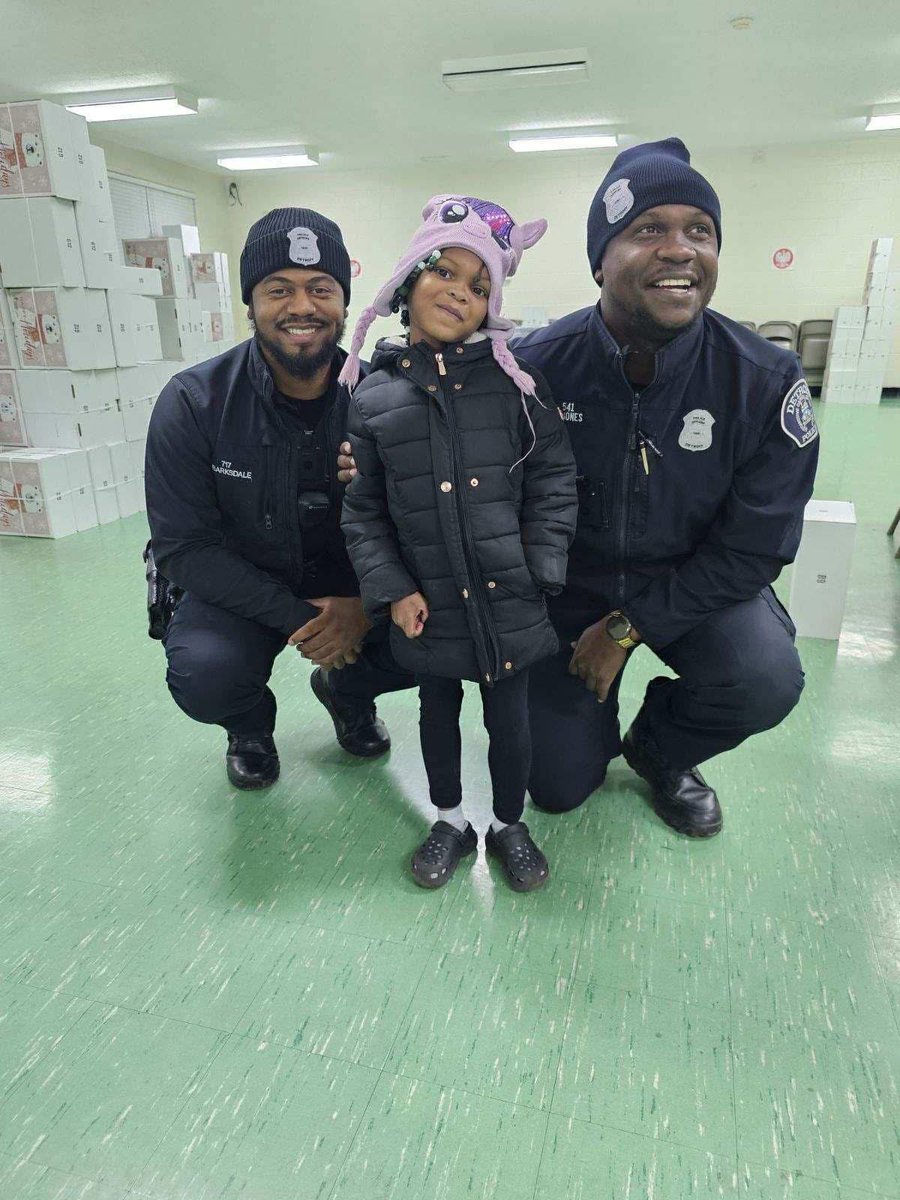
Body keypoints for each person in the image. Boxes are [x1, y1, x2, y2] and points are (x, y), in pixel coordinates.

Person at [509, 137, 819, 834]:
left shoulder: (763, 381)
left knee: (764, 677)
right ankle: (584, 726)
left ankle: (660, 746)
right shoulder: (532, 369)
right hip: (568, 590)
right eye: (649, 230)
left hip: (697, 581)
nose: (680, 249)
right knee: (556, 788)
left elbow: (754, 549)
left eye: (699, 231)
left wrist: (627, 629)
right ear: (600, 260)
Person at [338, 195, 577, 890]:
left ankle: (507, 823)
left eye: (480, 287)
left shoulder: (517, 388)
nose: (460, 294)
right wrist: (394, 590)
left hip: (512, 598)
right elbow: (363, 512)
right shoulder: (374, 399)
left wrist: (541, 566)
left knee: (512, 722)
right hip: (430, 604)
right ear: (409, 281)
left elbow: (556, 478)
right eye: (445, 273)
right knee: (436, 713)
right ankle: (448, 818)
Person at [145, 208, 412, 790]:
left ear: (344, 302)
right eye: (278, 290)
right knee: (205, 671)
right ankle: (248, 726)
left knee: (437, 634)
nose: (302, 307)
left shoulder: (388, 397)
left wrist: (364, 606)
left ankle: (348, 691)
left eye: (321, 289)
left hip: (357, 582)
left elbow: (425, 526)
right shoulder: (193, 402)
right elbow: (184, 549)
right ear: (251, 302)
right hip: (242, 584)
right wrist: (308, 620)